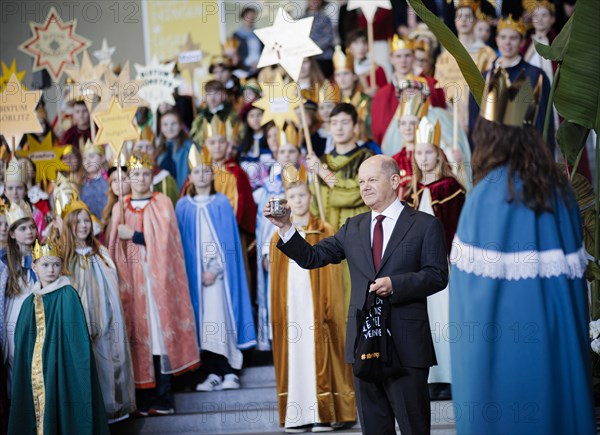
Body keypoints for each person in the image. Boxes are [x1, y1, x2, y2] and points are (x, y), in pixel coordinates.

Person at [450, 68, 595, 434]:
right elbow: (578, 288)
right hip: (557, 351)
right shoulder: (560, 193)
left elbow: (469, 307)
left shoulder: (484, 197)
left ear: (488, 135)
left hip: (503, 364)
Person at [264, 154, 448, 435]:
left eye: (372, 179)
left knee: (414, 428)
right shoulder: (354, 226)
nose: (364, 186)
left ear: (395, 180)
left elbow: (437, 275)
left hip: (407, 346)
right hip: (364, 345)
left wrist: (395, 284)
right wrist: (287, 228)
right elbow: (313, 258)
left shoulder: (424, 224)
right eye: (361, 181)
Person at [108, 153, 200, 415]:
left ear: (152, 177)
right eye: (135, 175)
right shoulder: (120, 207)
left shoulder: (162, 203)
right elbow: (114, 248)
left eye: (145, 174)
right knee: (137, 336)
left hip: (158, 282)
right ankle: (142, 397)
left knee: (159, 336)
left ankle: (164, 396)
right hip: (132, 285)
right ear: (129, 178)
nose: (140, 179)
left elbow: (167, 242)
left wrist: (135, 235)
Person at [270, 181, 356, 433]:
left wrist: (327, 309)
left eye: (301, 195)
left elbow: (332, 277)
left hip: (317, 305)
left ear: (310, 197)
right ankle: (298, 416)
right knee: (296, 355)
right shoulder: (277, 236)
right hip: (292, 306)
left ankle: (326, 414)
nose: (297, 201)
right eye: (291, 196)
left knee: (321, 350)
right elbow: (275, 282)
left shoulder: (325, 230)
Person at [7, 239, 110, 435]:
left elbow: (76, 339)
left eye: (56, 264)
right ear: (35, 266)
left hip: (60, 367)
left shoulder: (67, 294)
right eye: (45, 264)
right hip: (36, 372)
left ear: (62, 266)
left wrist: (55, 357)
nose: (51, 270)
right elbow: (23, 341)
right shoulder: (30, 302)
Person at [176, 149, 256, 391]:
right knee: (203, 325)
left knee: (221, 320)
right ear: (189, 176)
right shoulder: (182, 207)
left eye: (205, 171)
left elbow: (228, 243)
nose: (201, 176)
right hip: (195, 279)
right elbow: (181, 246)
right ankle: (210, 372)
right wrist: (196, 271)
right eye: (196, 171)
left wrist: (214, 269)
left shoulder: (221, 203)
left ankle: (230, 371)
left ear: (212, 175)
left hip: (219, 278)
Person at [57, 194, 136, 423]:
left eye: (86, 221)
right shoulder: (63, 258)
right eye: (78, 221)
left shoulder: (100, 252)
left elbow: (113, 285)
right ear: (69, 225)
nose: (83, 226)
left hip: (107, 322)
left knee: (108, 363)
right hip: (79, 324)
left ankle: (115, 409)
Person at [404, 117, 466, 401]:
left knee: (446, 320)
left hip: (446, 265)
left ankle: (453, 377)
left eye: (429, 151)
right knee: (424, 321)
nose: (424, 157)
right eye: (419, 152)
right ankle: (429, 378)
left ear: (438, 153)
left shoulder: (450, 188)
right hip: (418, 268)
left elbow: (460, 225)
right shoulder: (410, 192)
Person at [468, 15, 554, 150]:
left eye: (513, 38)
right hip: (492, 155)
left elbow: (544, 123)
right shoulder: (484, 78)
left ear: (522, 42)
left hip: (527, 156)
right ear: (496, 40)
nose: (507, 42)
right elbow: (475, 123)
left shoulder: (535, 76)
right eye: (503, 37)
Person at [0, 201, 38, 395]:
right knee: (16, 363)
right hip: (13, 320)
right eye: (23, 228)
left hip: (38, 317)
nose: (29, 231)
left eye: (32, 226)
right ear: (13, 233)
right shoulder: (5, 261)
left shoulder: (42, 256)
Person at [132, 125, 179, 207]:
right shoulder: (127, 178)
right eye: (139, 147)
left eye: (148, 147)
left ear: (155, 152)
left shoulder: (166, 179)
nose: (144, 151)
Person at [156, 109, 198, 191]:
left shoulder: (189, 147)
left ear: (181, 125)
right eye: (165, 124)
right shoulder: (159, 150)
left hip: (185, 192)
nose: (169, 128)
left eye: (174, 124)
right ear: (161, 128)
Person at [80, 140, 109, 219]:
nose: (88, 161)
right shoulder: (81, 184)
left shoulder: (110, 180)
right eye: (84, 159)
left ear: (102, 158)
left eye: (92, 156)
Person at [233, 6, 263, 74]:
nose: (251, 19)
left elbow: (264, 51)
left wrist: (259, 64)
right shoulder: (237, 35)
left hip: (260, 67)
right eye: (248, 16)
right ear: (243, 17)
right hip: (244, 69)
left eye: (253, 17)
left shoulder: (259, 33)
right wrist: (249, 67)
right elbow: (236, 55)